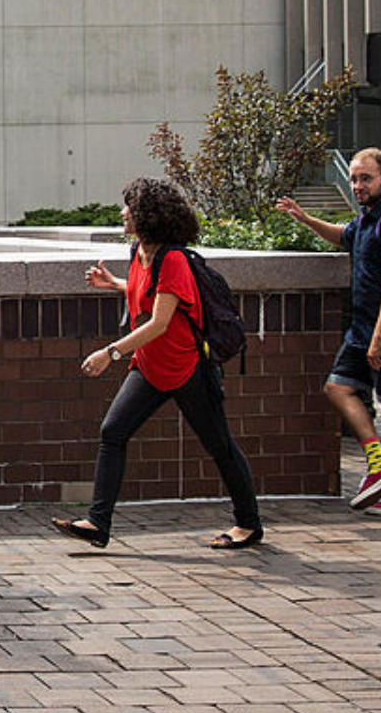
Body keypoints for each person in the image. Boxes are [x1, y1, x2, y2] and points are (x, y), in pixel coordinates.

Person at [52, 178, 264, 550]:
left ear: (147, 215)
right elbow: (148, 293)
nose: (122, 214)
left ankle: (249, 524)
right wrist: (115, 284)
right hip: (150, 367)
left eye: (128, 208)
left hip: (187, 370)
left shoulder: (175, 259)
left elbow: (160, 322)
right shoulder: (139, 252)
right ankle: (97, 524)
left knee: (220, 445)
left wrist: (110, 353)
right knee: (112, 432)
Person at [276, 148, 381, 515]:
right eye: (355, 178)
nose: (358, 185)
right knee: (337, 387)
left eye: (366, 179)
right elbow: (344, 236)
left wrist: (380, 337)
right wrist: (306, 218)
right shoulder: (368, 217)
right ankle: (379, 465)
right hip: (363, 331)